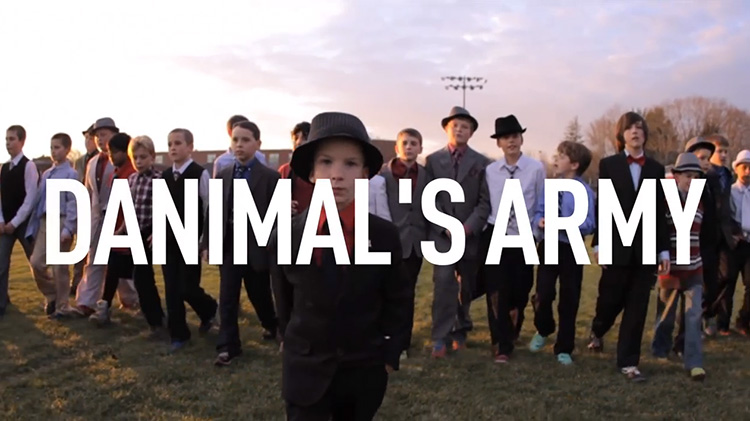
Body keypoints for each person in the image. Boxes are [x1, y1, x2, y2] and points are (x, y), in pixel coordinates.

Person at [269, 111, 410, 420]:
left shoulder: (384, 236)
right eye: (326, 162)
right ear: (311, 172)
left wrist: (390, 351)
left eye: (350, 163)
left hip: (363, 373)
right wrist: (289, 341)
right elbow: (284, 299)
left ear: (364, 173)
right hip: (305, 372)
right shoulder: (286, 236)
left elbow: (398, 297)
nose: (337, 174)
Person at [588, 111, 670, 382]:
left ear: (645, 134)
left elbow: (659, 212)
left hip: (645, 250)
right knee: (609, 303)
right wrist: (599, 243)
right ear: (621, 136)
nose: (635, 132)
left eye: (639, 127)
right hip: (616, 247)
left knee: (637, 307)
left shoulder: (657, 170)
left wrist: (663, 250)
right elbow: (605, 206)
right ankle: (598, 331)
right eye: (629, 128)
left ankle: (628, 363)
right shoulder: (609, 165)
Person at [206, 120, 280, 366]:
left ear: (257, 144)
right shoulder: (224, 174)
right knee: (227, 296)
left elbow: (277, 216)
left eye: (245, 140)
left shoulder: (270, 177)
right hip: (229, 244)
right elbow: (214, 212)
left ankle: (272, 324)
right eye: (235, 140)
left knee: (259, 293)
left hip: (257, 245)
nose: (239, 145)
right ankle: (228, 346)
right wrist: (208, 242)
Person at [425, 106, 491, 358]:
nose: (460, 129)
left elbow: (485, 201)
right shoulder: (432, 161)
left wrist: (467, 227)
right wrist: (444, 226)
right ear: (446, 129)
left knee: (467, 286)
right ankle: (439, 337)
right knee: (443, 284)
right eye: (455, 125)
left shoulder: (482, 162)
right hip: (442, 234)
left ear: (471, 132)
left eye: (465, 126)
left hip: (468, 234)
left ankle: (460, 330)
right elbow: (427, 198)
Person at [480, 115, 545, 363]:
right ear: (499, 143)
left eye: (515, 137)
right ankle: (502, 345)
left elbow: (540, 200)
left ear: (521, 139)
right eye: (506, 138)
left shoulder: (536, 168)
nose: (511, 142)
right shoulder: (490, 171)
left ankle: (515, 319)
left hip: (525, 236)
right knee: (496, 292)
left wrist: (536, 234)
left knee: (521, 288)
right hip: (497, 233)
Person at [528, 140, 595, 365]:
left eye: (561, 156)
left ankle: (564, 347)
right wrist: (541, 221)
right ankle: (544, 329)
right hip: (548, 246)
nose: (556, 159)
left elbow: (588, 223)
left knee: (569, 299)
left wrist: (565, 223)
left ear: (574, 164)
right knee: (543, 294)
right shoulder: (548, 187)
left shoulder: (584, 192)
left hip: (572, 248)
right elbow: (538, 212)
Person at [74, 118, 139, 317]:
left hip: (120, 217)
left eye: (103, 135)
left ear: (113, 135)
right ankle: (87, 301)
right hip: (98, 216)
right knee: (94, 258)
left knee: (119, 261)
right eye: (97, 136)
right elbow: (89, 191)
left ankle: (130, 298)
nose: (100, 140)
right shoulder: (92, 163)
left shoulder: (125, 160)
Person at [161, 128, 218, 353]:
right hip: (168, 240)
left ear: (190, 146)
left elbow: (207, 207)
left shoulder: (199, 173)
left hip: (191, 240)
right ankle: (178, 334)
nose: (173, 148)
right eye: (169, 144)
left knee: (187, 287)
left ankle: (210, 309)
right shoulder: (165, 176)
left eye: (178, 143)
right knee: (171, 289)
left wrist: (205, 240)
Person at [651, 153, 707, 381]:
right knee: (666, 314)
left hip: (695, 268)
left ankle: (694, 362)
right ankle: (659, 350)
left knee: (693, 316)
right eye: (687, 176)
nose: (691, 180)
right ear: (676, 176)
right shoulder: (665, 200)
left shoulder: (702, 201)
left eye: (695, 176)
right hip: (671, 268)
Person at [378, 128, 430, 359]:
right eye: (405, 143)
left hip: (415, 244)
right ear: (397, 148)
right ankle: (383, 337)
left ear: (420, 148)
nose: (409, 147)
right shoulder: (383, 176)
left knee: (407, 294)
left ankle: (402, 343)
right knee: (384, 293)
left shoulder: (427, 176)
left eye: (414, 143)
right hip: (390, 242)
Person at [26, 133, 79, 319]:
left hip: (62, 220)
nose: (54, 151)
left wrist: (68, 228)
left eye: (57, 147)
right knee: (36, 262)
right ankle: (51, 294)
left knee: (59, 267)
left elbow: (73, 203)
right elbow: (39, 202)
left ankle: (63, 306)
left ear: (67, 149)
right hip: (44, 221)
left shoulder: (71, 175)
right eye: (52, 148)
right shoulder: (47, 174)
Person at [89, 133, 138, 325]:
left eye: (115, 152)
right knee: (113, 270)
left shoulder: (130, 173)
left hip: (129, 231)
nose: (111, 156)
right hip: (117, 228)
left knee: (137, 273)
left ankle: (152, 310)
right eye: (109, 152)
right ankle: (105, 306)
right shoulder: (116, 173)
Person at [127, 135, 166, 334]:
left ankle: (156, 321)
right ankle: (155, 317)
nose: (139, 161)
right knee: (143, 278)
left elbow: (164, 209)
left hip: (152, 232)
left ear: (152, 157)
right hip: (136, 233)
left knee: (143, 277)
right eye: (136, 157)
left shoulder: (159, 179)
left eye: (143, 157)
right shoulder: (132, 180)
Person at [0, 125, 39, 319]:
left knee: (37, 261)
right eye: (6, 139)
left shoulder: (28, 166)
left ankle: (54, 299)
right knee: (1, 263)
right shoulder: (4, 168)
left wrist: (14, 223)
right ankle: (2, 302)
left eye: (12, 139)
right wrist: (1, 221)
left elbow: (30, 198)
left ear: (22, 141)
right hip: (4, 225)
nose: (8, 143)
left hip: (23, 224)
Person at [720, 150, 750, 336]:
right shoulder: (730, 192)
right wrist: (733, 234)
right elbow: (724, 216)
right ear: (737, 168)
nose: (747, 171)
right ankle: (723, 323)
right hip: (734, 244)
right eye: (744, 167)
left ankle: (744, 321)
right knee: (727, 283)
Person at [71, 124, 99, 295]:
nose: (88, 141)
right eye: (86, 138)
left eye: (91, 137)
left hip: (97, 208)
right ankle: (76, 283)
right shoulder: (80, 161)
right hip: (83, 207)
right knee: (80, 249)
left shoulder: (104, 158)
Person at [279, 122, 315, 216]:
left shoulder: (323, 171)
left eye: (304, 138)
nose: (299, 142)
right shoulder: (284, 170)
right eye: (296, 138)